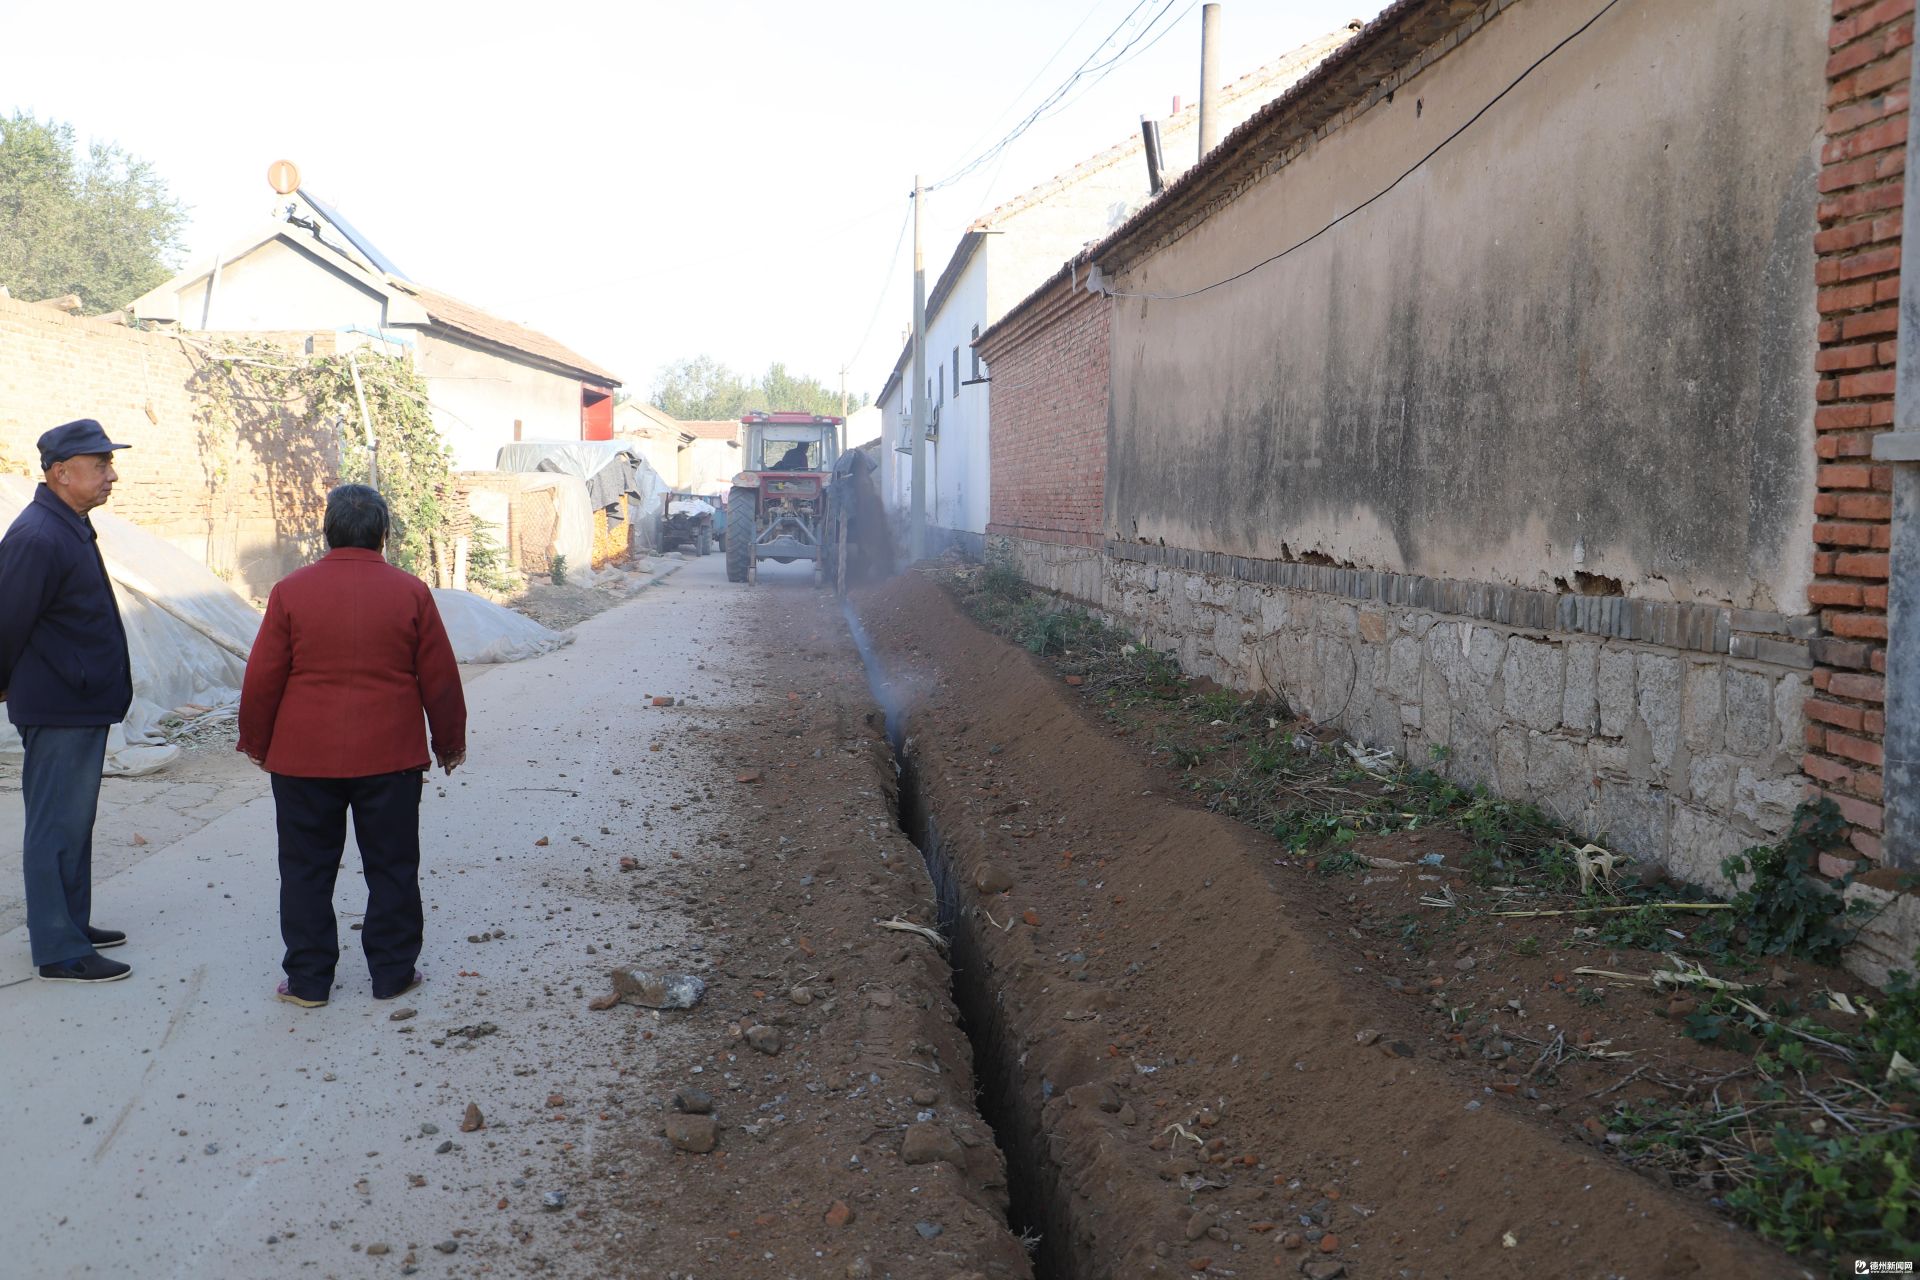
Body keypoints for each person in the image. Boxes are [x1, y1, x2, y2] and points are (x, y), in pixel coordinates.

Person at [238, 484, 467, 1009]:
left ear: (327, 531)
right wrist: (448, 742)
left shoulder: (290, 591)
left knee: (304, 869)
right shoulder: (411, 592)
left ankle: (308, 981)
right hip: (389, 759)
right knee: (391, 866)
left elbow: (263, 678)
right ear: (383, 534)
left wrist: (255, 740)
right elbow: (440, 678)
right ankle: (392, 974)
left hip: (303, 761)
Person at [0, 419, 136, 984]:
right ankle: (58, 948)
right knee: (56, 826)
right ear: (61, 473)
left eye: (109, 463)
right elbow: (6, 621)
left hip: (78, 700)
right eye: (100, 464)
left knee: (73, 823)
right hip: (58, 704)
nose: (111, 475)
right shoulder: (38, 536)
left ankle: (71, 925)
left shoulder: (68, 523)